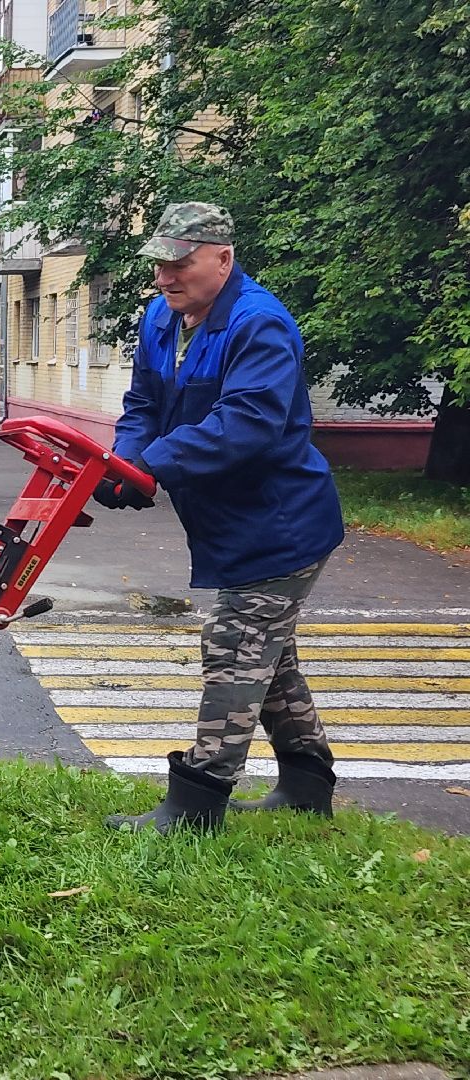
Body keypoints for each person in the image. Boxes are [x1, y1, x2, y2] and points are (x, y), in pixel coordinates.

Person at [96, 202, 344, 833]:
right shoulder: (160, 319)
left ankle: (198, 800)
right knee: (269, 652)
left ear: (222, 257)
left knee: (236, 646)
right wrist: (127, 463)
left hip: (279, 522)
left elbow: (248, 423)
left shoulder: (259, 324)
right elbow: (142, 407)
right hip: (225, 520)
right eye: (159, 263)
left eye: (180, 263)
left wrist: (155, 465)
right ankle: (308, 782)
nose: (165, 276)